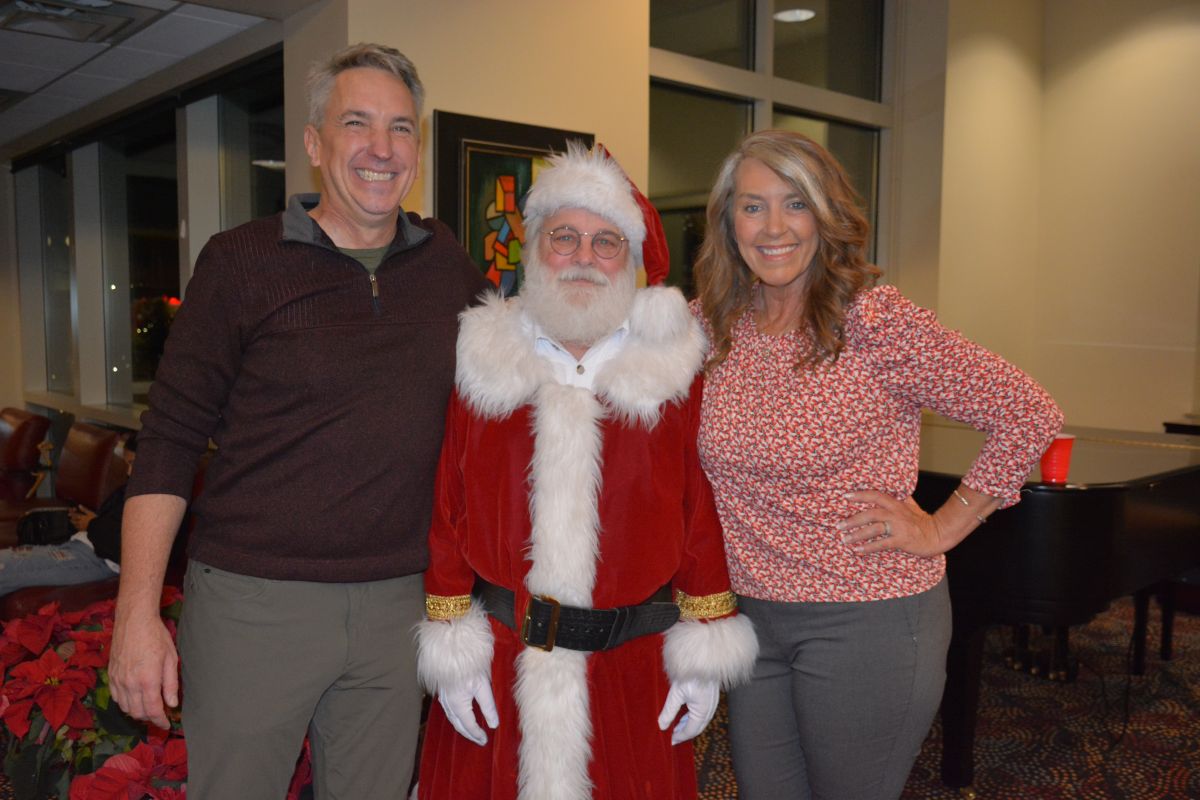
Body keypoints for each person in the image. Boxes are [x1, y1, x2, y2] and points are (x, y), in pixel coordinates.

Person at [107, 43, 490, 799]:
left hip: (397, 606)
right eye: (357, 123)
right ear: (315, 143)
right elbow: (169, 441)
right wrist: (135, 616)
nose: (381, 148)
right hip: (255, 604)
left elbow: (521, 379)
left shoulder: (447, 265)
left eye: (401, 128)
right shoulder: (240, 262)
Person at [692, 130, 1063, 800]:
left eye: (796, 203)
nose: (774, 227)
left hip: (867, 617)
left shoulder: (873, 322)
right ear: (727, 222)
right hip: (750, 621)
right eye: (752, 206)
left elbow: (1028, 411)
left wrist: (943, 526)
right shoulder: (711, 327)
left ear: (826, 215)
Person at [415, 143, 758, 800]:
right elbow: (448, 505)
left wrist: (705, 643)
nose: (583, 256)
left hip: (633, 672)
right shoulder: (484, 357)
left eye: (606, 242)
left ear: (631, 259)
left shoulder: (670, 369)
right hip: (500, 665)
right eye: (564, 236)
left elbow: (697, 511)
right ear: (534, 247)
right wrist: (452, 640)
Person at [0, 433, 137, 596]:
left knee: (5, 570)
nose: (129, 471)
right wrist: (91, 521)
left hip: (98, 560)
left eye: (133, 463)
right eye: (127, 464)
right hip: (80, 546)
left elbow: (125, 547)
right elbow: (114, 525)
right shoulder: (129, 489)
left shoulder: (150, 504)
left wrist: (92, 524)